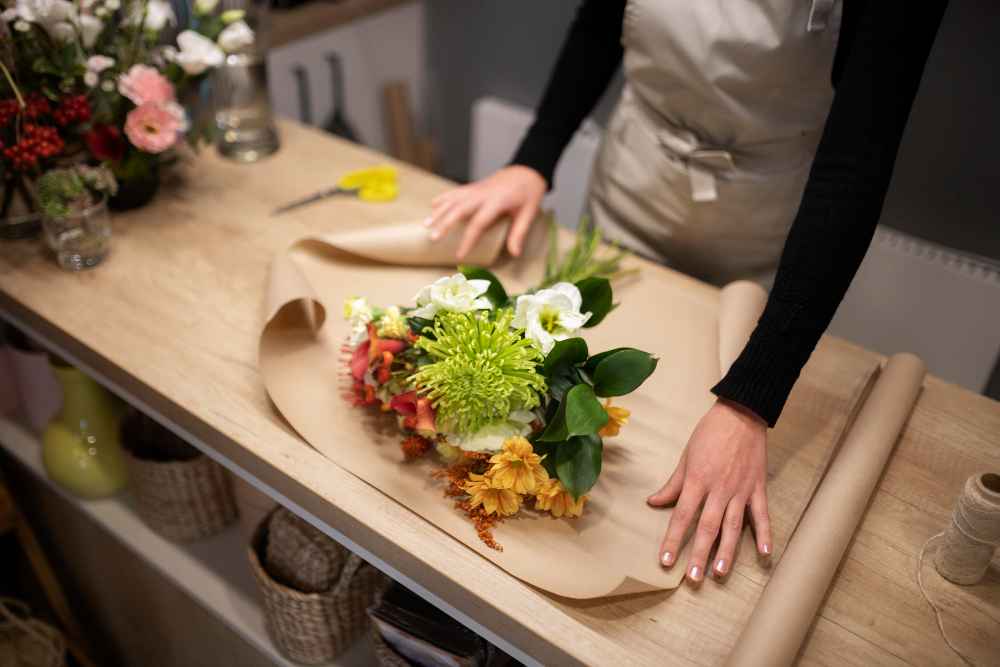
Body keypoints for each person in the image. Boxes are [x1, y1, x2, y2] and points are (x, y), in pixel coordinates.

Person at [426, 1, 949, 582]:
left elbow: (856, 166)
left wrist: (752, 401)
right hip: (633, 181)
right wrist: (534, 158)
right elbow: (599, 22)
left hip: (761, 221)